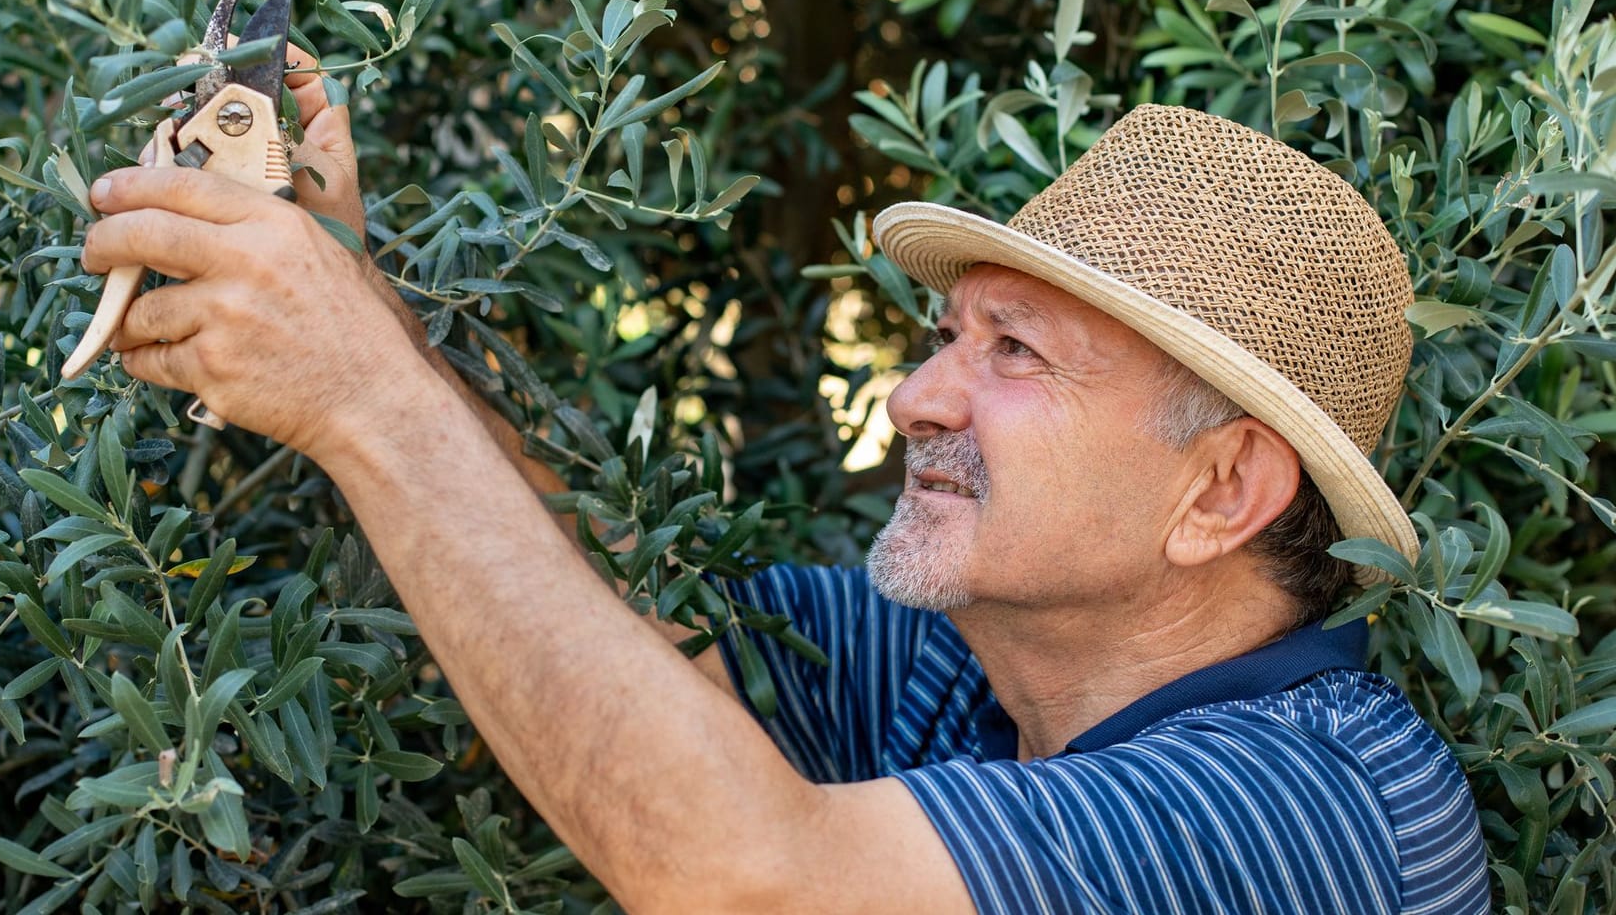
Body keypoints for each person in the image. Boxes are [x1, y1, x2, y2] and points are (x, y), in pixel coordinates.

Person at [78, 48, 1490, 913]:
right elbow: (614, 619)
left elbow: (744, 880)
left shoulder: (1319, 811)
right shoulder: (967, 674)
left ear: (1222, 492)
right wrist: (359, 295)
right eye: (949, 335)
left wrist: (364, 398)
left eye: (1014, 353)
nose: (918, 394)